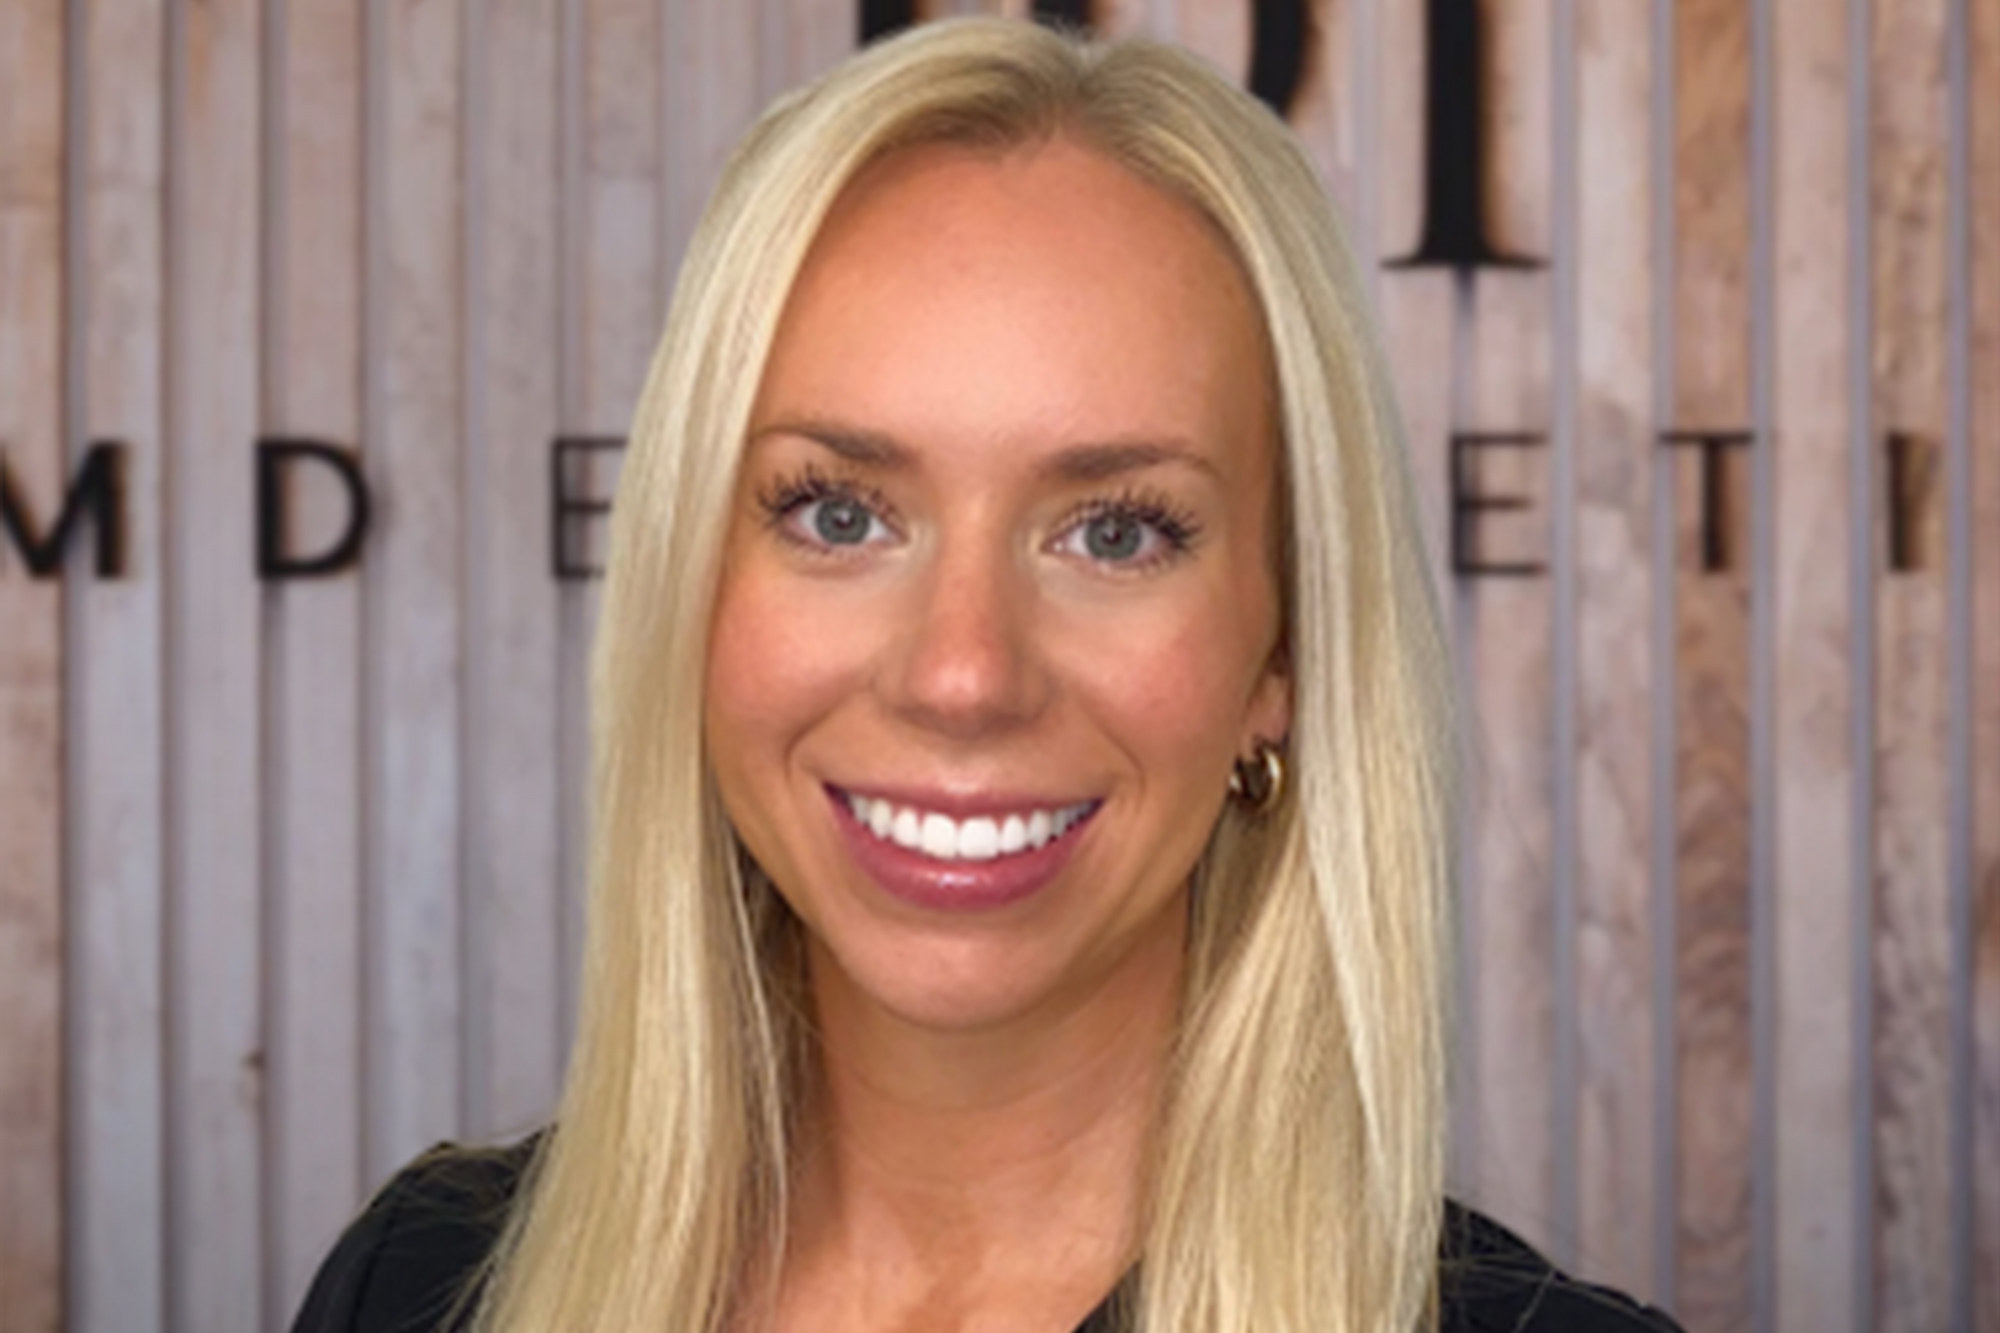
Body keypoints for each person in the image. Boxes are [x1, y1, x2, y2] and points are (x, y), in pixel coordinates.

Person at [293, 17, 1682, 1333]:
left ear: (1285, 651)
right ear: (693, 591)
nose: (963, 672)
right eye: (840, 514)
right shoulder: (420, 1285)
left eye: (1117, 530)